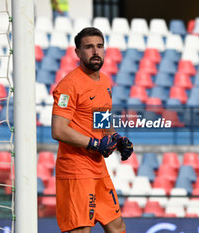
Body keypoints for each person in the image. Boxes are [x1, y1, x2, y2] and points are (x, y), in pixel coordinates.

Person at [51, 27, 133, 233]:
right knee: (81, 230)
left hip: (98, 169)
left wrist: (116, 139)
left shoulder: (104, 81)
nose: (95, 52)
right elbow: (58, 130)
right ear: (78, 52)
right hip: (75, 171)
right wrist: (95, 144)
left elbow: (100, 121)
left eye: (99, 46)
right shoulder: (69, 85)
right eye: (89, 47)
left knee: (117, 227)